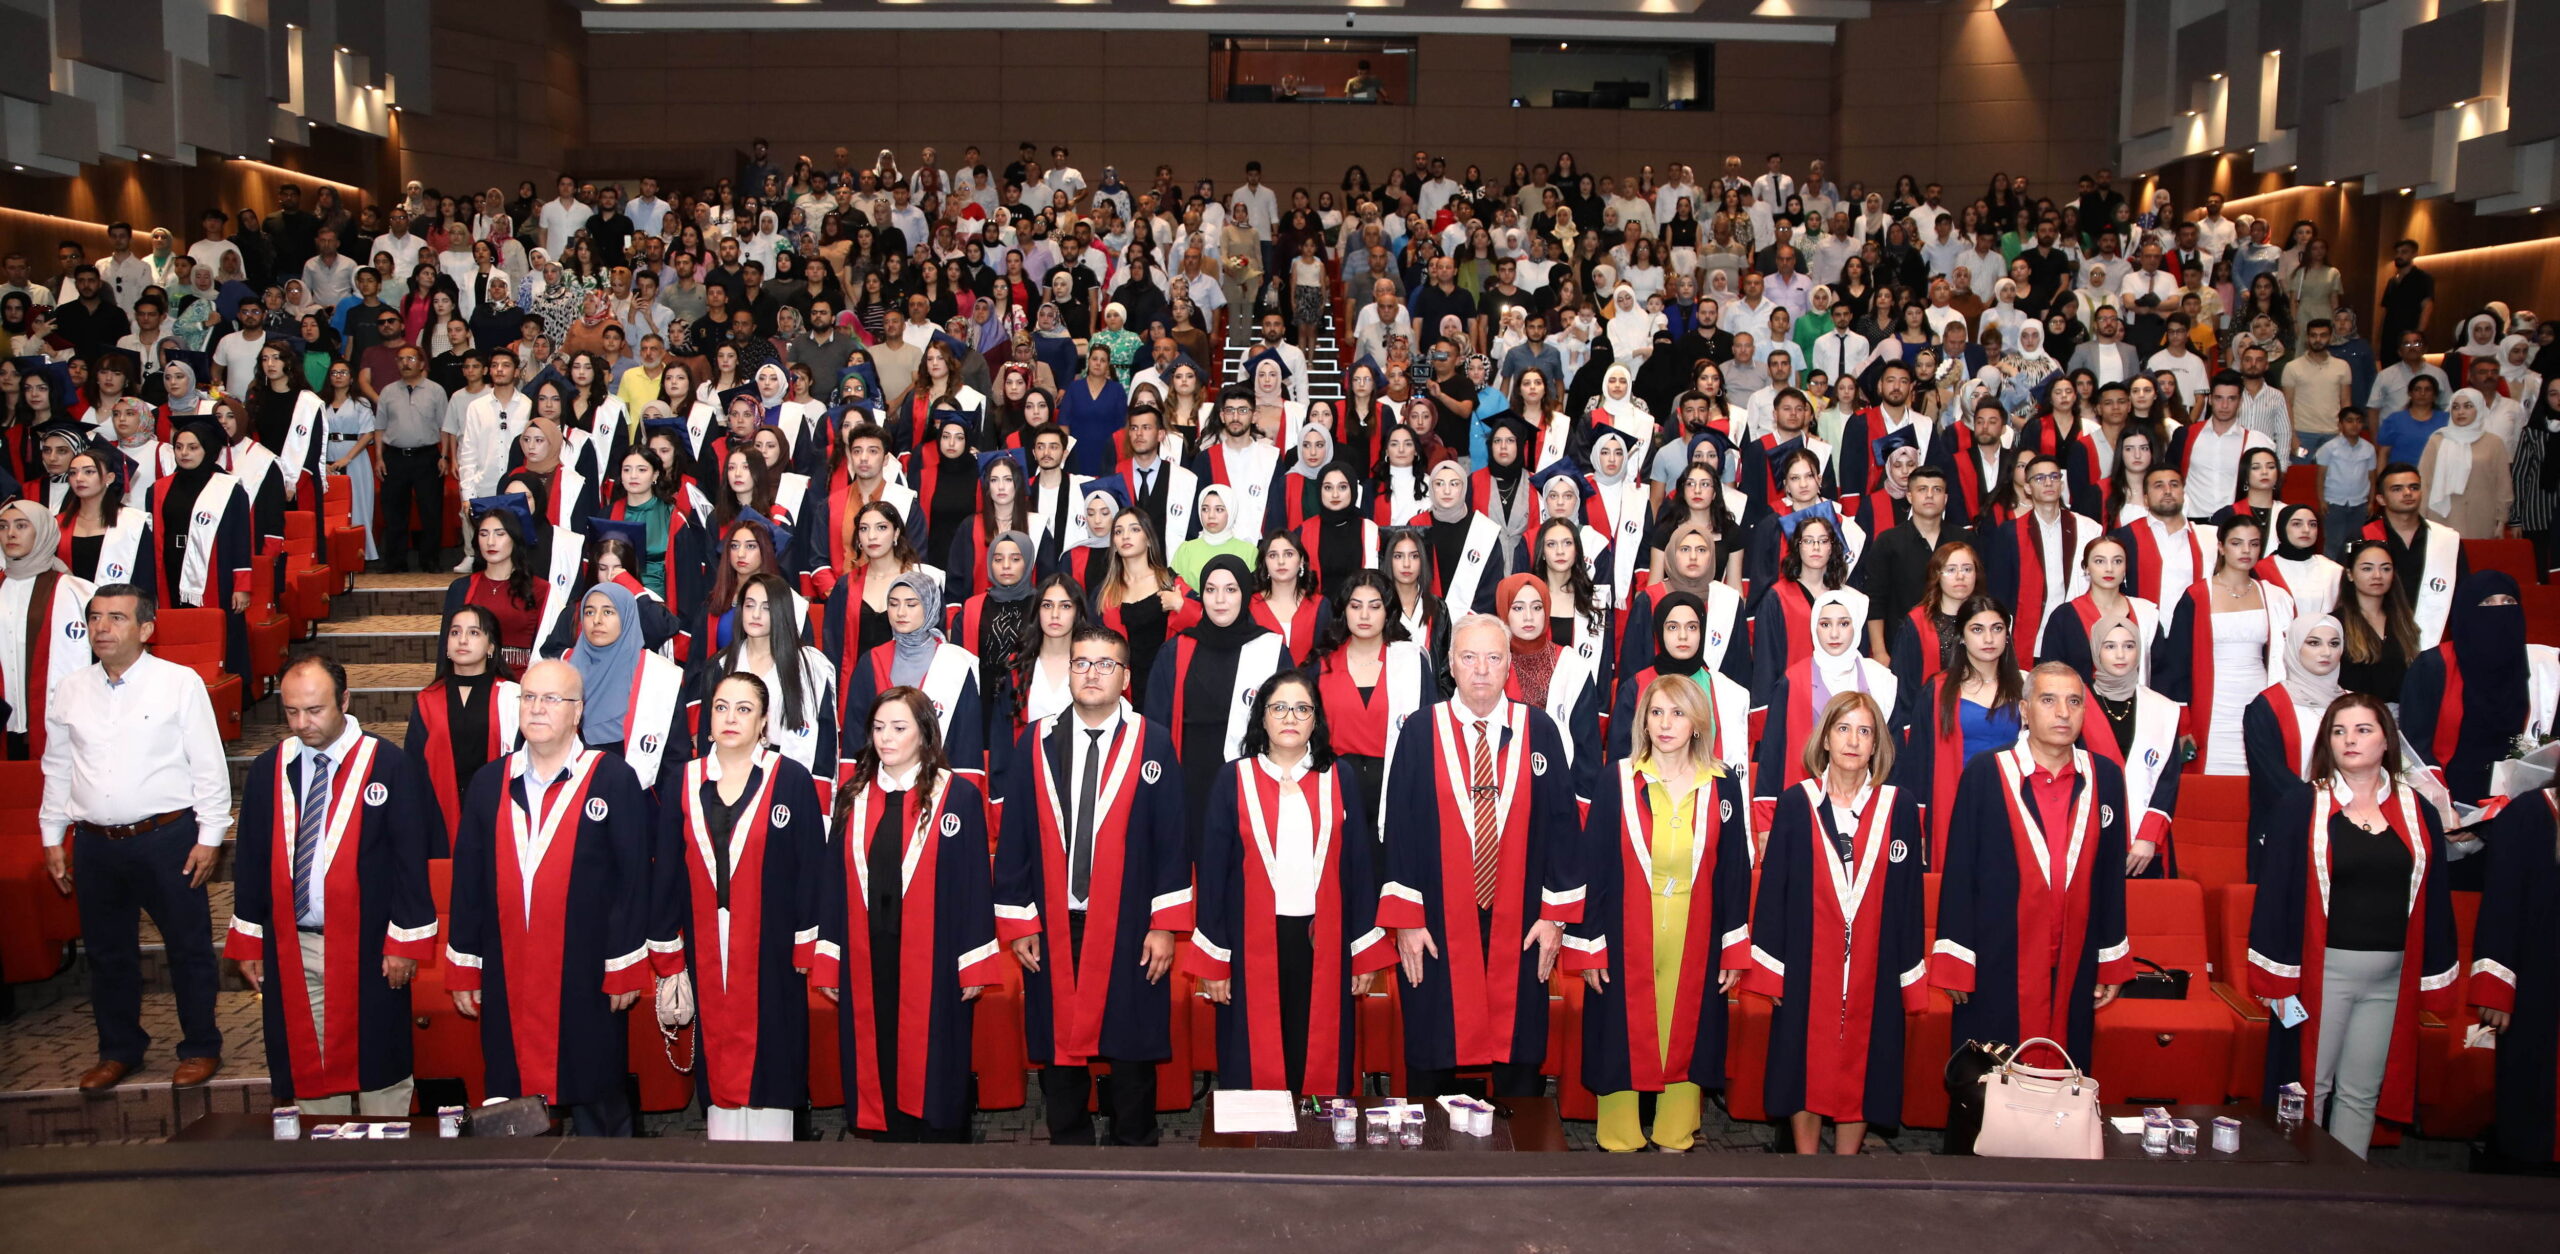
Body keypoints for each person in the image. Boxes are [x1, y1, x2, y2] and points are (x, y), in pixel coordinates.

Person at [994, 625, 1189, 1146]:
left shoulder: (1154, 742)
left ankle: (1135, 1150)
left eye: (1105, 664)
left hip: (1129, 922)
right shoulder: (1035, 741)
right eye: (1081, 662)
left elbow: (1172, 841)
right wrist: (1019, 921)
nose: (1092, 673)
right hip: (1055, 920)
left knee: (1130, 1046)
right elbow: (1014, 838)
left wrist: (1165, 926)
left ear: (1126, 676)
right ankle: (1069, 1147)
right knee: (1060, 1047)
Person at [1377, 612, 1585, 1098]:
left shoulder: (1540, 730)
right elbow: (1400, 830)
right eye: (1469, 658)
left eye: (1494, 658)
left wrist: (1555, 918)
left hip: (1521, 918)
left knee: (1518, 1050)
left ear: (1508, 664)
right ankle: (1433, 1156)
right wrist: (1406, 920)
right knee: (1435, 1042)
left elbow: (1562, 828)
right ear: (1450, 664)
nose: (1482, 670)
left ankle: (1518, 1163)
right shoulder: (1419, 732)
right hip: (1437, 920)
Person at [445, 657, 655, 1136]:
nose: (538, 709)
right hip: (508, 970)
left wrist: (625, 964)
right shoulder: (488, 783)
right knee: (511, 1100)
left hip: (587, 972)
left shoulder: (612, 779)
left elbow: (631, 883)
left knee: (596, 1094)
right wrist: (464, 963)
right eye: (530, 698)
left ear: (577, 712)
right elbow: (470, 882)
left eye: (551, 699)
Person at [222, 653, 436, 1115]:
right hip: (295, 943)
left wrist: (405, 940)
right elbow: (252, 861)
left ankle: (388, 1158)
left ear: (344, 700)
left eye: (315, 710)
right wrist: (249, 941)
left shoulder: (388, 764)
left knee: (380, 1060)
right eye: (292, 711)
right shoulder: (269, 770)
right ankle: (326, 1162)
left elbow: (409, 860)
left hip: (371, 944)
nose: (303, 723)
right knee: (310, 1062)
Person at [2247, 693, 2458, 1159]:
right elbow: (2275, 893)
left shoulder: (2418, 810)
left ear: (2387, 740)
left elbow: (2435, 897)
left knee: (2362, 1093)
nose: (2350, 740)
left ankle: (2347, 1193)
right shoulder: (2302, 805)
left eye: (2363, 729)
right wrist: (2275, 976)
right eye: (2339, 731)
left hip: (2390, 978)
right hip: (2326, 974)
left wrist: (2435, 973)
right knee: (2308, 1090)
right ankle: (2297, 1192)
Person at [38, 584, 231, 1091]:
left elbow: (208, 764)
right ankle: (119, 1050)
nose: (102, 628)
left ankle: (200, 1046)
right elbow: (57, 766)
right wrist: (51, 833)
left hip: (166, 838)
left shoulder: (179, 682)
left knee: (187, 948)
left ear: (145, 629)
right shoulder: (71, 687)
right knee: (107, 954)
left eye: (117, 618)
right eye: (96, 618)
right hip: (96, 844)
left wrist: (210, 836)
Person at [1567, 673, 1754, 1153]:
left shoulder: (1723, 783)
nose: (1666, 724)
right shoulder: (1618, 779)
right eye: (1656, 712)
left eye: (1677, 712)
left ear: (1697, 722)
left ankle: (1676, 1130)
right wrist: (1590, 946)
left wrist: (1733, 947)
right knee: (1620, 1031)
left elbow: (1733, 870)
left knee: (1688, 1029)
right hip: (1625, 930)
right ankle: (1620, 1135)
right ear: (1643, 722)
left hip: (1697, 932)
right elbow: (1594, 865)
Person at [1186, 670, 1392, 1095]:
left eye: (1302, 708)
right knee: (1253, 1051)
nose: (1290, 717)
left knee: (1318, 1051)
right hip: (1251, 940)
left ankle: (1317, 1149)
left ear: (1316, 720)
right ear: (1262, 717)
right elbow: (1213, 872)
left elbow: (1357, 866)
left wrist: (1363, 952)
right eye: (1278, 708)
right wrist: (1215, 958)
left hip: (1324, 939)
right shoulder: (1233, 779)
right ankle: (1256, 1149)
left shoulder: (1339, 777)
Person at [646, 671, 828, 1142]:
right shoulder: (684, 781)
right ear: (707, 720)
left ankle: (778, 1165)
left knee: (774, 1053)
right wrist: (667, 957)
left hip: (771, 948)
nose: (731, 717)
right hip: (705, 945)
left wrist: (809, 947)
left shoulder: (790, 780)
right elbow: (665, 871)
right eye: (721, 707)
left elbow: (812, 869)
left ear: (764, 721)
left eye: (744, 709)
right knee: (719, 1062)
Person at [1746, 689, 1928, 1155]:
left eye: (1864, 731)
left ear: (1877, 744)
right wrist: (1772, 969)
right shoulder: (1796, 802)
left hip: (1875, 964)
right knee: (1801, 1060)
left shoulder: (1899, 807)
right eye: (1843, 729)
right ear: (1825, 738)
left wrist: (1909, 977)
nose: (1853, 741)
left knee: (1866, 1063)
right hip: (1808, 960)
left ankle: (1848, 1163)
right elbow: (1774, 892)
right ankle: (1807, 1163)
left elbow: (1909, 900)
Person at [1931, 662, 2133, 1066]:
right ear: (2024, 711)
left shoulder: (2105, 777)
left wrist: (2110, 962)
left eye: (2074, 701)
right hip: (1997, 956)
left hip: (2074, 957)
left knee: (2066, 1075)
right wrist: (1955, 959)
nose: (2063, 712)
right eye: (2049, 700)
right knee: (1991, 1084)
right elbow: (1959, 873)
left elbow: (2111, 878)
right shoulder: (1987, 773)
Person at [1143, 555, 1286, 840]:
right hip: (1188, 779)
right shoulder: (1175, 650)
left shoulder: (1271, 650)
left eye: (1231, 589)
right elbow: (1154, 728)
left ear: (1245, 594)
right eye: (1211, 589)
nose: (1220, 599)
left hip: (1254, 778)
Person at [2399, 572, 2560, 823]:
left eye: (2508, 602)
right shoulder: (2432, 667)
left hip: (2522, 806)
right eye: (2487, 603)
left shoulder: (2542, 669)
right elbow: (2414, 749)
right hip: (2449, 804)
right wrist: (2442, 809)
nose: (2499, 611)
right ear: (2465, 612)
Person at [2156, 515, 2295, 775]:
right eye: (2237, 543)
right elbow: (2176, 665)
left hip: (2259, 697)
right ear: (2221, 547)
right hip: (2212, 706)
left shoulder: (2276, 597)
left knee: (2259, 778)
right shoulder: (2196, 595)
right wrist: (2184, 724)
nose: (2246, 550)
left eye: (2254, 544)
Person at [1751, 589, 1896, 828]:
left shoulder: (1882, 681)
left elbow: (1891, 752)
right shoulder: (1791, 681)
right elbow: (1772, 756)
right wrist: (1766, 822)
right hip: (1804, 807)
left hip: (1867, 806)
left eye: (1844, 623)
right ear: (1814, 628)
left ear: (1857, 626)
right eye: (1825, 624)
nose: (1835, 633)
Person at [2471, 785, 2560, 1164]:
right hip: (2535, 983)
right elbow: (2501, 906)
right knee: (2529, 1092)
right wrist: (2495, 990)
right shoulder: (2530, 812)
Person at [1312, 570, 1440, 831]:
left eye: (1375, 606)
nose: (1364, 615)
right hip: (1336, 788)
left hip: (1398, 785)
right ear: (1343, 611)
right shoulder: (1321, 666)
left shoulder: (1411, 661)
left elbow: (1430, 734)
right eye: (1355, 606)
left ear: (1388, 611)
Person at [692, 571, 839, 791]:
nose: (756, 614)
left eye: (767, 607)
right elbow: (708, 733)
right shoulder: (721, 665)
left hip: (789, 774)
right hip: (732, 772)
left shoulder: (812, 667)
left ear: (781, 612)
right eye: (750, 605)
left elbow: (825, 744)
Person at [836, 569, 985, 783]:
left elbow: (966, 741)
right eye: (894, 604)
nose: (900, 612)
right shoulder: (871, 661)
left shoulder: (956, 664)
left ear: (930, 606)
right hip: (879, 783)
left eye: (911, 604)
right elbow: (856, 734)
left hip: (939, 787)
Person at [404, 604, 521, 853]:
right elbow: (414, 767)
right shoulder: (428, 699)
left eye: (474, 633)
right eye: (455, 632)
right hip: (439, 812)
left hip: (498, 808)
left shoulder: (513, 697)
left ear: (491, 646)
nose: (463, 640)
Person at [2079, 611, 2183, 878]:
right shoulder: (2074, 704)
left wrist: (2149, 837)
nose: (2121, 654)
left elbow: (2168, 780)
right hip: (2085, 837)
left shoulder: (2163, 708)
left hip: (2146, 845)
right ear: (2096, 651)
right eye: (2110, 646)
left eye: (2129, 645)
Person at [2241, 614, 2345, 881]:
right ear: (2295, 646)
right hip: (2285, 829)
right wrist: (2322, 809)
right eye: (2314, 643)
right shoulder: (2267, 706)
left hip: (2346, 832)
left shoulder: (2355, 705)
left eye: (2334, 644)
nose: (2326, 652)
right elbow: (2270, 777)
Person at [148, 419, 254, 678]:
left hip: (215, 573)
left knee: (216, 633)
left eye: (193, 447)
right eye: (179, 447)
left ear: (207, 449)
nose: (184, 453)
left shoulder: (229, 489)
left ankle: (222, 691)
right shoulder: (159, 489)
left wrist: (242, 585)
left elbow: (242, 538)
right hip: (171, 569)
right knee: (177, 631)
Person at [567, 580, 692, 795]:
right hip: (573, 794)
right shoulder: (564, 672)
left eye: (608, 612)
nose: (596, 620)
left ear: (627, 616)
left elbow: (675, 756)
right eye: (589, 612)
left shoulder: (659, 675)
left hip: (641, 796)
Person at [1980, 452, 2096, 667]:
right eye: (2039, 478)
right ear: (2027, 488)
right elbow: (1998, 592)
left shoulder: (2086, 528)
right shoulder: (2009, 533)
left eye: (2054, 476)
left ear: (2061, 484)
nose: (2048, 482)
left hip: (2073, 631)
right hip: (2029, 637)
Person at [0, 501, 93, 761]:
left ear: (42, 531)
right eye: (3, 526)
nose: (11, 534)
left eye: (21, 526)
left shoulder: (77, 591)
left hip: (53, 717)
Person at [2358, 463, 2466, 648]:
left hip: (2433, 641)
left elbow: (2462, 594)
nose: (2408, 493)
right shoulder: (2361, 539)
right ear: (2381, 499)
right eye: (2397, 489)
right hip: (2376, 641)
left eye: (2414, 487)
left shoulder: (2447, 540)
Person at [2416, 388, 2513, 539]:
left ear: (2479, 409)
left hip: (2481, 516)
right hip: (2441, 517)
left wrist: (2501, 521)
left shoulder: (2494, 443)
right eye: (2456, 407)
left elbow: (2503, 484)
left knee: (2477, 560)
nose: (2461, 412)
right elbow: (2423, 481)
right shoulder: (2437, 440)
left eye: (2468, 406)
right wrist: (2421, 517)